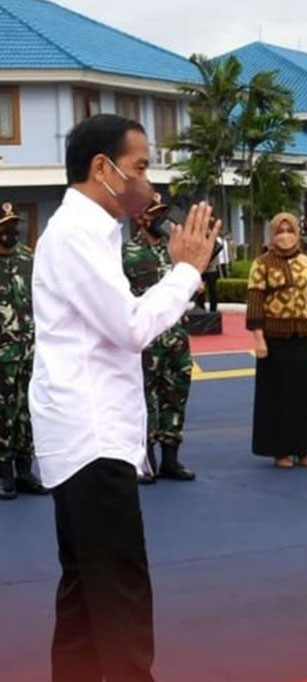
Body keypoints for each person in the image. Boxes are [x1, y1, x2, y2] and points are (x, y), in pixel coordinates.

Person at [29, 114, 218, 682]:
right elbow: (130, 326)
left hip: (85, 438)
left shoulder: (89, 232)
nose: (148, 182)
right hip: (92, 440)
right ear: (102, 169)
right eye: (139, 167)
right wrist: (185, 273)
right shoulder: (76, 234)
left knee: (88, 596)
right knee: (120, 597)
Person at [122, 194, 198, 485]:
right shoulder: (126, 254)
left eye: (162, 213)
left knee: (176, 394)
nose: (160, 220)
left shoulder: (175, 252)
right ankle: (146, 458)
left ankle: (171, 458)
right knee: (145, 400)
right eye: (154, 214)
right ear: (141, 219)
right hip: (146, 341)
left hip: (177, 338)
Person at [246, 212, 307, 469]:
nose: (285, 236)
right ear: (272, 235)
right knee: (278, 396)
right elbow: (255, 301)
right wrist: (258, 337)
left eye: (290, 231)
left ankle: (305, 448)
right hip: (274, 339)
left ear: (297, 233)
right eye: (280, 232)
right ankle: (280, 450)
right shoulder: (262, 263)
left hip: (304, 336)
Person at [0, 203, 47, 500]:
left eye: (13, 225)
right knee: (3, 412)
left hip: (30, 350)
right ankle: (5, 474)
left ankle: (25, 469)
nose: (11, 231)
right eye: (5, 227)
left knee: (28, 411)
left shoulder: (28, 259)